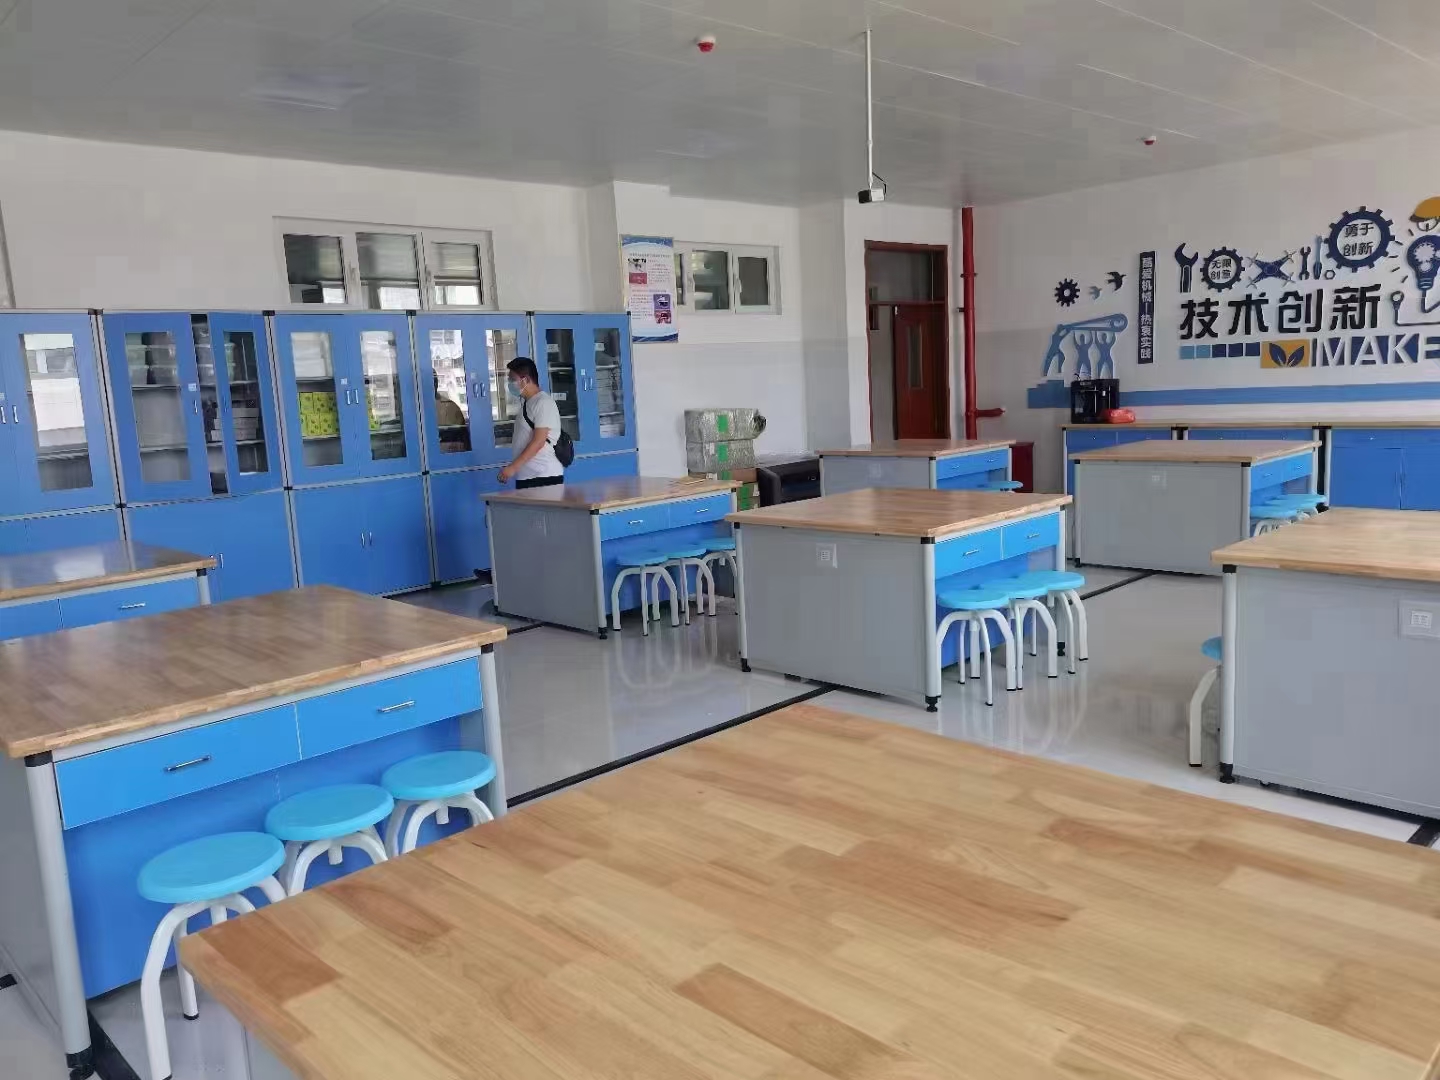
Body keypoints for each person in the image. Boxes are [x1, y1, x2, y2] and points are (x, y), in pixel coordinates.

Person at [498, 357, 564, 488]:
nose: (509, 383)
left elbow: (539, 441)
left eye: (512, 379)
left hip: (543, 476)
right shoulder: (529, 402)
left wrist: (513, 467)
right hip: (528, 476)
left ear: (526, 380)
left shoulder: (543, 403)